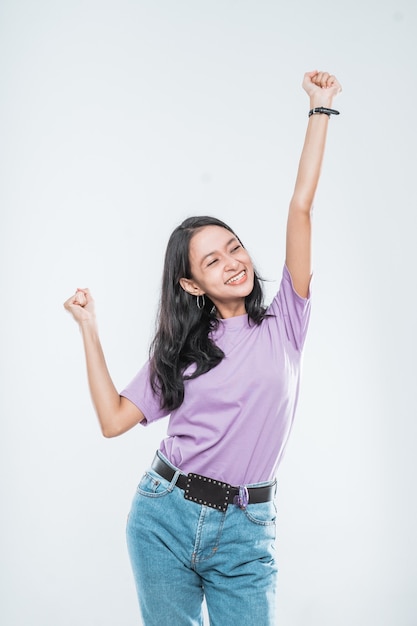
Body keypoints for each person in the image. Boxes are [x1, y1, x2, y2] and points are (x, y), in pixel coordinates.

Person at [64, 70, 342, 626]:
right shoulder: (184, 350)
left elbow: (300, 208)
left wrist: (320, 109)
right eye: (211, 260)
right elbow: (114, 420)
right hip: (163, 517)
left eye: (233, 247)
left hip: (247, 531)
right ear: (193, 285)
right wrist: (89, 329)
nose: (232, 262)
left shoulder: (286, 321)